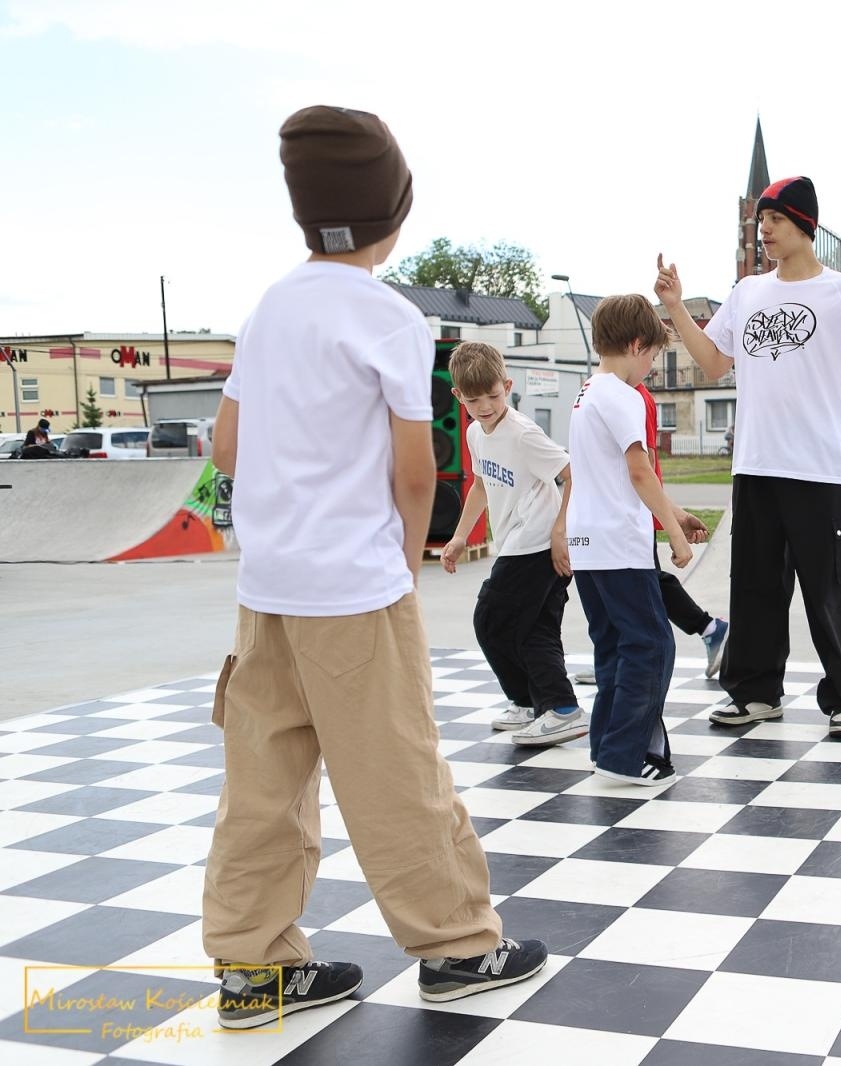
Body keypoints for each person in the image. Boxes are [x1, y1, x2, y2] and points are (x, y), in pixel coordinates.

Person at [202, 104, 545, 1030]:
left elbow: (228, 446)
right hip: (355, 591)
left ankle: (253, 966)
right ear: (393, 216)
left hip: (267, 593)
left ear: (302, 215)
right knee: (396, 771)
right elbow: (415, 469)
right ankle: (459, 948)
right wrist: (401, 563)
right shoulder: (390, 317)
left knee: (262, 781)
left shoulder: (268, 308)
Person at [655, 175, 841, 739]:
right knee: (756, 587)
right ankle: (756, 694)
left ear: (803, 226)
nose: (763, 229)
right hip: (758, 466)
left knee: (832, 589)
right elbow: (715, 364)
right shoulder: (747, 293)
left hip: (820, 468)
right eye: (761, 220)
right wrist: (675, 307)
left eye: (775, 220)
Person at [566, 294, 693, 786]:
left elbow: (613, 475)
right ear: (638, 344)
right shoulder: (621, 397)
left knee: (615, 647)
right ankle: (627, 756)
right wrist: (676, 536)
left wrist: (673, 513)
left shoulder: (587, 393)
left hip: (589, 544)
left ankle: (607, 749)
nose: (651, 367)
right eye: (654, 356)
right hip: (620, 544)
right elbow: (640, 472)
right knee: (652, 645)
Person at [441, 341, 588, 746]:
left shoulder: (522, 433)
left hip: (536, 542)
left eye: (493, 395)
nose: (486, 406)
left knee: (491, 620)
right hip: (515, 541)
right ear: (458, 397)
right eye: (474, 400)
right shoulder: (475, 433)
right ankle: (546, 706)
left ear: (507, 385)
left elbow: (574, 474)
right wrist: (457, 537)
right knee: (534, 629)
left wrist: (561, 534)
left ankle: (552, 706)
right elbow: (482, 487)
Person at [637, 378, 730, 676]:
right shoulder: (606, 391)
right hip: (626, 516)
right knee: (646, 581)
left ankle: (710, 627)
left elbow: (645, 470)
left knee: (646, 581)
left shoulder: (638, 397)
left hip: (633, 516)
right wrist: (675, 516)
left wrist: (671, 522)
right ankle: (710, 628)